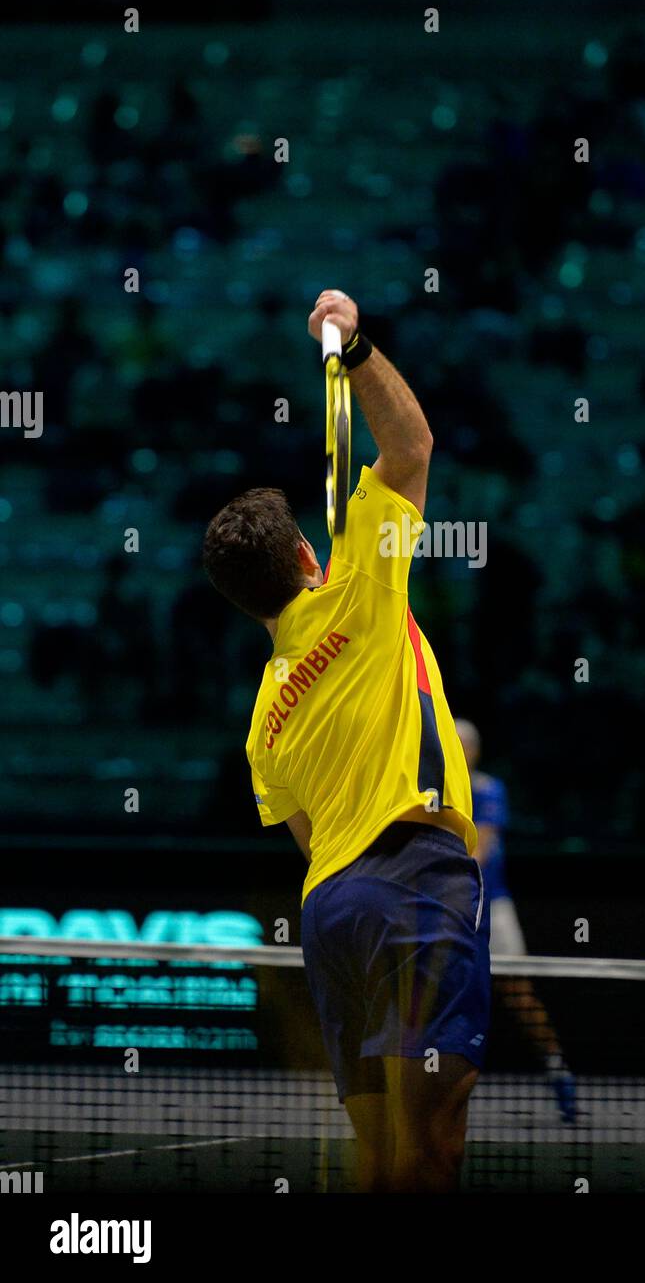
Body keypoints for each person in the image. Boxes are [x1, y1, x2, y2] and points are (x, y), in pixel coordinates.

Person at [203, 290, 490, 1192]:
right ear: (303, 558)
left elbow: (312, 845)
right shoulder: (358, 581)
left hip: (330, 911)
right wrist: (354, 345)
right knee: (431, 1154)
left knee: (375, 1161)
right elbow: (410, 448)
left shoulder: (262, 722)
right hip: (418, 882)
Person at [454, 719, 577, 1124]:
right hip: (449, 908)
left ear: (475, 750)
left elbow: (482, 849)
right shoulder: (433, 793)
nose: (459, 750)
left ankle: (558, 1072)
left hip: (493, 906)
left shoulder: (488, 790)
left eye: (465, 745)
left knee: (519, 995)